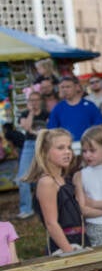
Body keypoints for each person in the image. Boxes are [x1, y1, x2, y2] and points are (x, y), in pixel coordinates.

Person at [22, 128, 85, 255]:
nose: (67, 152)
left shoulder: (65, 179)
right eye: (60, 148)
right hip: (64, 246)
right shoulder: (47, 182)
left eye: (69, 147)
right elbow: (51, 223)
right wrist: (70, 253)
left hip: (81, 240)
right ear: (45, 152)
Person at [14, 91, 49, 220]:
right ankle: (26, 209)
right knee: (23, 177)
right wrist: (30, 113)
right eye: (31, 100)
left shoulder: (47, 114)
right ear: (28, 102)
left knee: (46, 176)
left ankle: (47, 206)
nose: (34, 102)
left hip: (44, 145)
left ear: (40, 100)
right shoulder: (24, 114)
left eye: (36, 99)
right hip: (29, 145)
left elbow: (49, 130)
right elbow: (27, 128)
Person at [47, 75, 102, 151]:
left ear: (76, 87)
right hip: (67, 148)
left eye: (68, 87)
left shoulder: (89, 106)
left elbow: (99, 127)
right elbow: (52, 130)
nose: (65, 90)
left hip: (88, 146)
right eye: (62, 87)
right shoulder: (58, 108)